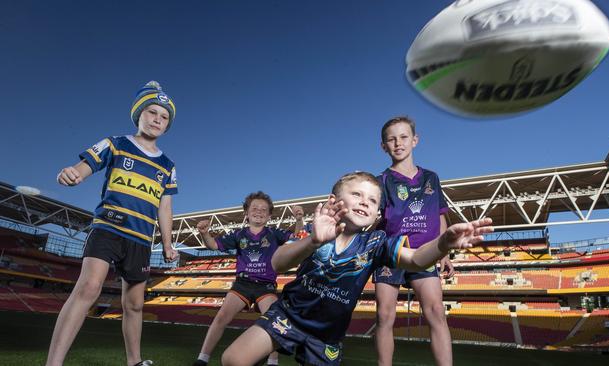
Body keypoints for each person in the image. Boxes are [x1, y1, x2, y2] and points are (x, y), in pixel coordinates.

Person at [220, 172, 492, 365]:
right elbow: (277, 262)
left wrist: (444, 242)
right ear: (333, 200)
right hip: (288, 316)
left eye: (373, 201)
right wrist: (313, 241)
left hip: (327, 335)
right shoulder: (316, 231)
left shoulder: (376, 243)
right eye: (357, 194)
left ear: (376, 215)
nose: (365, 202)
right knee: (232, 359)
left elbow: (418, 259)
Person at [47, 81, 179, 366]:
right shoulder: (115, 143)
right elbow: (85, 166)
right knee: (88, 288)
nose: (157, 119)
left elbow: (164, 206)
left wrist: (167, 244)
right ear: (138, 114)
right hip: (108, 227)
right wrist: (74, 173)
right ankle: (53, 362)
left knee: (134, 304)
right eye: (152, 112)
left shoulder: (167, 165)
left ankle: (134, 362)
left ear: (168, 124)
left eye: (164, 116)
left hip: (141, 239)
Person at [372, 116, 455, 366]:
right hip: (391, 253)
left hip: (425, 252)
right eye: (391, 139)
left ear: (415, 140)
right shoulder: (382, 181)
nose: (398, 143)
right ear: (384, 146)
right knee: (384, 315)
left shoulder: (431, 178)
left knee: (437, 312)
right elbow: (375, 219)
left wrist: (445, 253)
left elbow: (441, 217)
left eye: (404, 136)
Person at [192, 191, 292, 366]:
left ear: (269, 215)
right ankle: (202, 358)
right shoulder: (238, 235)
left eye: (263, 209)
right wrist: (205, 233)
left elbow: (295, 238)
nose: (259, 211)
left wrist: (299, 220)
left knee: (273, 320)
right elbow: (214, 245)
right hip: (242, 284)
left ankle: (272, 361)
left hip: (266, 285)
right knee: (221, 316)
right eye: (254, 208)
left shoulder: (275, 233)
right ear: (246, 212)